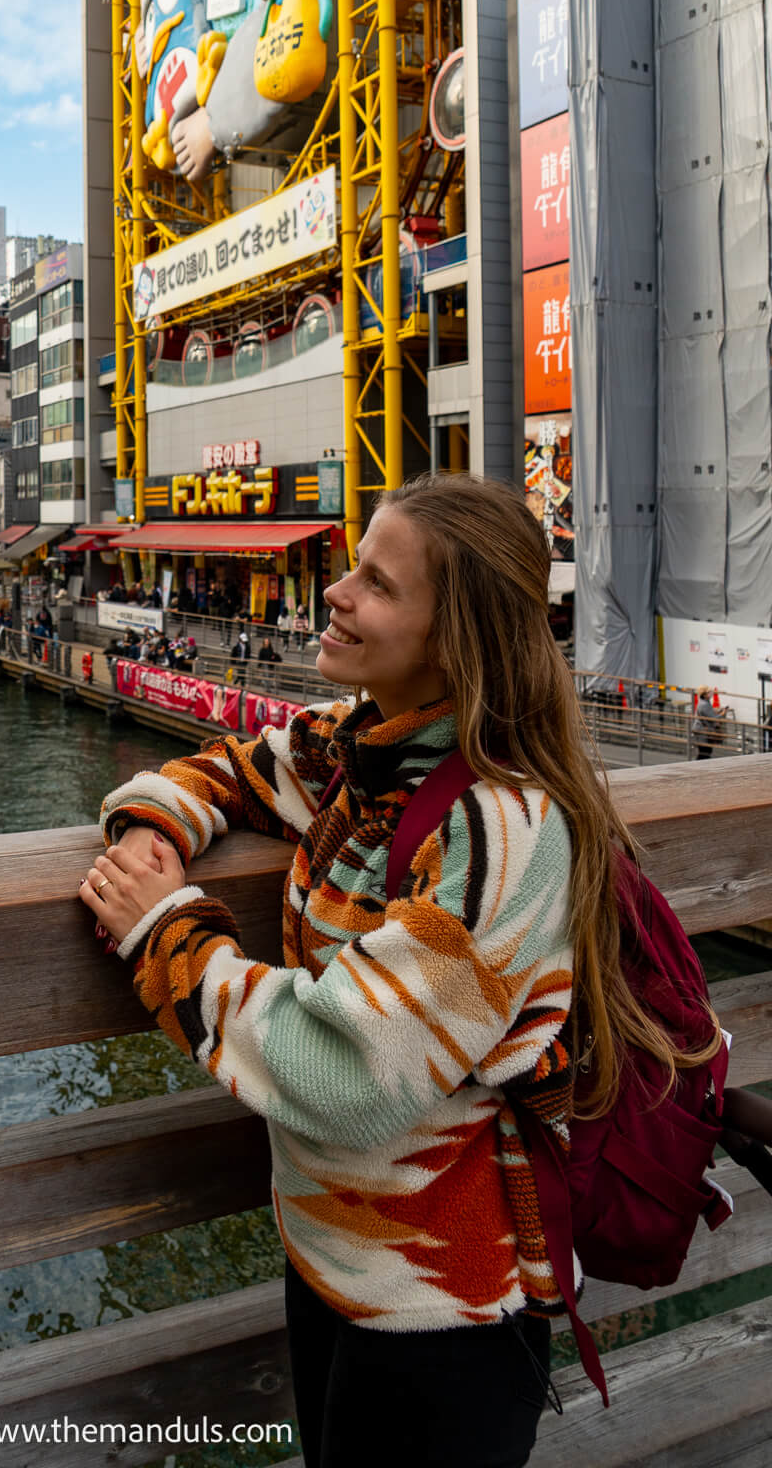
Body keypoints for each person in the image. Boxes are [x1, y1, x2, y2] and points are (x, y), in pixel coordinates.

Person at [77, 473, 720, 1468]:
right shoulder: (365, 753)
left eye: (376, 583)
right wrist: (152, 827)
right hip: (337, 1261)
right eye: (354, 567)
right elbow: (235, 770)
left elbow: (346, 1076)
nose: (337, 591)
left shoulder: (499, 829)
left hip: (441, 1313)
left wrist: (161, 929)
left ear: (456, 639)